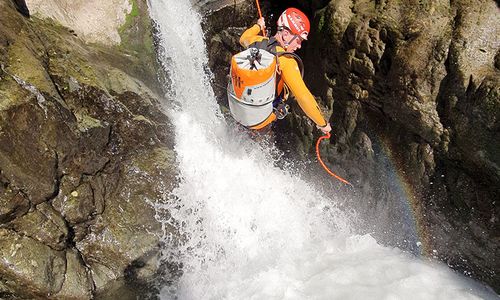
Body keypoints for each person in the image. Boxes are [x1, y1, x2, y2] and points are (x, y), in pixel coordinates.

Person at [238, 7, 331, 134]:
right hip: (261, 121)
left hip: (240, 110)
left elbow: (243, 38)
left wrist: (258, 26)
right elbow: (303, 96)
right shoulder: (286, 61)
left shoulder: (257, 41)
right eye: (298, 40)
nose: (299, 46)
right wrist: (322, 124)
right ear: (286, 34)